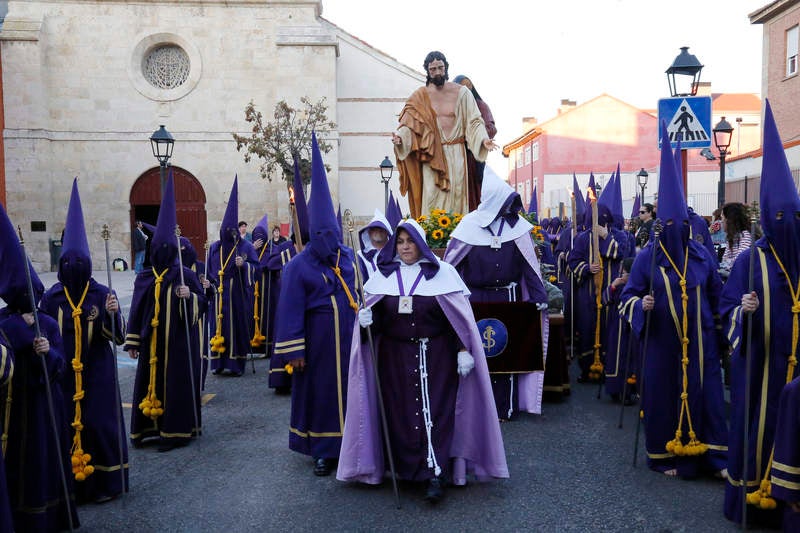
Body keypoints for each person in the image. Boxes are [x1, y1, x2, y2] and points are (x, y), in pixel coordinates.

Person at [338, 219, 508, 503]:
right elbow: (374, 327)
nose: (405, 247)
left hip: (437, 357)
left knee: (437, 415)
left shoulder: (445, 275)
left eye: (411, 241)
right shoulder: (383, 278)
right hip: (393, 360)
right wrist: (365, 322)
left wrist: (463, 349)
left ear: (421, 244)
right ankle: (406, 471)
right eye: (401, 242)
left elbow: (458, 320)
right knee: (400, 414)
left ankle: (435, 473)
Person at [619, 121, 727, 479]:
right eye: (666, 226)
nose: (674, 233)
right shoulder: (647, 259)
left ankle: (710, 458)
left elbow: (716, 295)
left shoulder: (700, 256)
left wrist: (722, 328)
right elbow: (627, 297)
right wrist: (640, 306)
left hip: (701, 344)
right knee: (663, 398)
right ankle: (664, 457)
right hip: (661, 345)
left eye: (679, 225)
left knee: (707, 398)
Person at [720, 101, 799, 528]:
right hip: (764, 371)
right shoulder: (752, 263)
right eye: (781, 218)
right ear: (769, 220)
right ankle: (753, 495)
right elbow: (727, 310)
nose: (790, 225)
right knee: (760, 430)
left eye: (796, 217)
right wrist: (742, 313)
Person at [272, 132, 358, 477]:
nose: (328, 241)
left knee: (354, 393)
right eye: (321, 234)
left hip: (350, 341)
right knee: (321, 396)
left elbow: (362, 293)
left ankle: (355, 445)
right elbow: (289, 310)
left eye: (331, 234)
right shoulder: (298, 266)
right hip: (318, 343)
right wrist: (295, 351)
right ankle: (324, 449)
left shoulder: (348, 257)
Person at [39, 179, 129, 503]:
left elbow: (118, 337)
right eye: (68, 263)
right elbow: (44, 331)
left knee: (99, 425)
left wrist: (112, 314)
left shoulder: (103, 294)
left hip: (98, 373)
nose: (74, 269)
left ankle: (105, 483)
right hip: (65, 377)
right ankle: (69, 488)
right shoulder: (51, 299)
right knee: (63, 426)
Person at [0, 201, 80, 531]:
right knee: (25, 466)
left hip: (47, 408)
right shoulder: (5, 325)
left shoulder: (46, 323)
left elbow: (60, 366)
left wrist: (47, 351)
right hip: (18, 410)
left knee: (48, 461)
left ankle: (56, 515)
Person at [444, 168, 549, 420]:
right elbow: (450, 266)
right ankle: (474, 409)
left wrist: (539, 297)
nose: (510, 207)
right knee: (476, 354)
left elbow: (528, 265)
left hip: (508, 300)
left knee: (507, 356)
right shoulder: (469, 226)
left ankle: (504, 408)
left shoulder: (518, 228)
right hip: (475, 300)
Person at [126, 173, 205, 452]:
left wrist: (191, 297)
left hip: (179, 344)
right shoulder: (145, 277)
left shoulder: (185, 275)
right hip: (151, 343)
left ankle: (176, 431)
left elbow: (203, 303)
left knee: (175, 384)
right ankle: (147, 429)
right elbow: (136, 309)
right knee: (149, 382)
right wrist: (133, 341)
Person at [393, 51, 496, 218]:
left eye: (440, 68)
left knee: (456, 195)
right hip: (432, 154)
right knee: (431, 195)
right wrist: (401, 139)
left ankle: (456, 238)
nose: (437, 72)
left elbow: (474, 121)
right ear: (427, 70)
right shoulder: (420, 96)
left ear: (446, 67)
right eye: (433, 69)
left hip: (457, 154)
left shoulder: (462, 93)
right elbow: (409, 125)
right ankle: (431, 236)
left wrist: (483, 139)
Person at [568, 174, 628, 383]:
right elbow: (573, 260)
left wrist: (605, 237)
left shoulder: (619, 236)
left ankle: (608, 369)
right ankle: (587, 369)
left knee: (609, 331)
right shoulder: (583, 238)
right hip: (588, 293)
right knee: (587, 329)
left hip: (610, 293)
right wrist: (587, 267)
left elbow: (620, 253)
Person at [208, 178, 259, 376]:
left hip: (237, 293)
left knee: (236, 327)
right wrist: (209, 282)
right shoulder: (215, 248)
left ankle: (236, 364)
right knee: (218, 327)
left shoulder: (245, 247)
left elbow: (257, 268)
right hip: (219, 295)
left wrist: (244, 265)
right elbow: (210, 270)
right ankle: (218, 363)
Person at [453, 74, 497, 212]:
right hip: (456, 155)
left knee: (475, 188)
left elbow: (491, 128)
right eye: (461, 87)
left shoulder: (480, 105)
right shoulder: (454, 108)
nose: (466, 89)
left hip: (473, 156)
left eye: (468, 86)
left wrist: (476, 136)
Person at [356, 209, 392, 280]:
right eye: (374, 228)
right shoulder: (360, 256)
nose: (378, 231)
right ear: (368, 232)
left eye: (381, 229)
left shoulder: (394, 254)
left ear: (387, 232)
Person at [719, 202, 752, 274]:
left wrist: (727, 263)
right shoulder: (732, 237)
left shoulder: (745, 235)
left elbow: (739, 261)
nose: (721, 221)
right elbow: (724, 259)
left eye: (722, 217)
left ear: (730, 220)